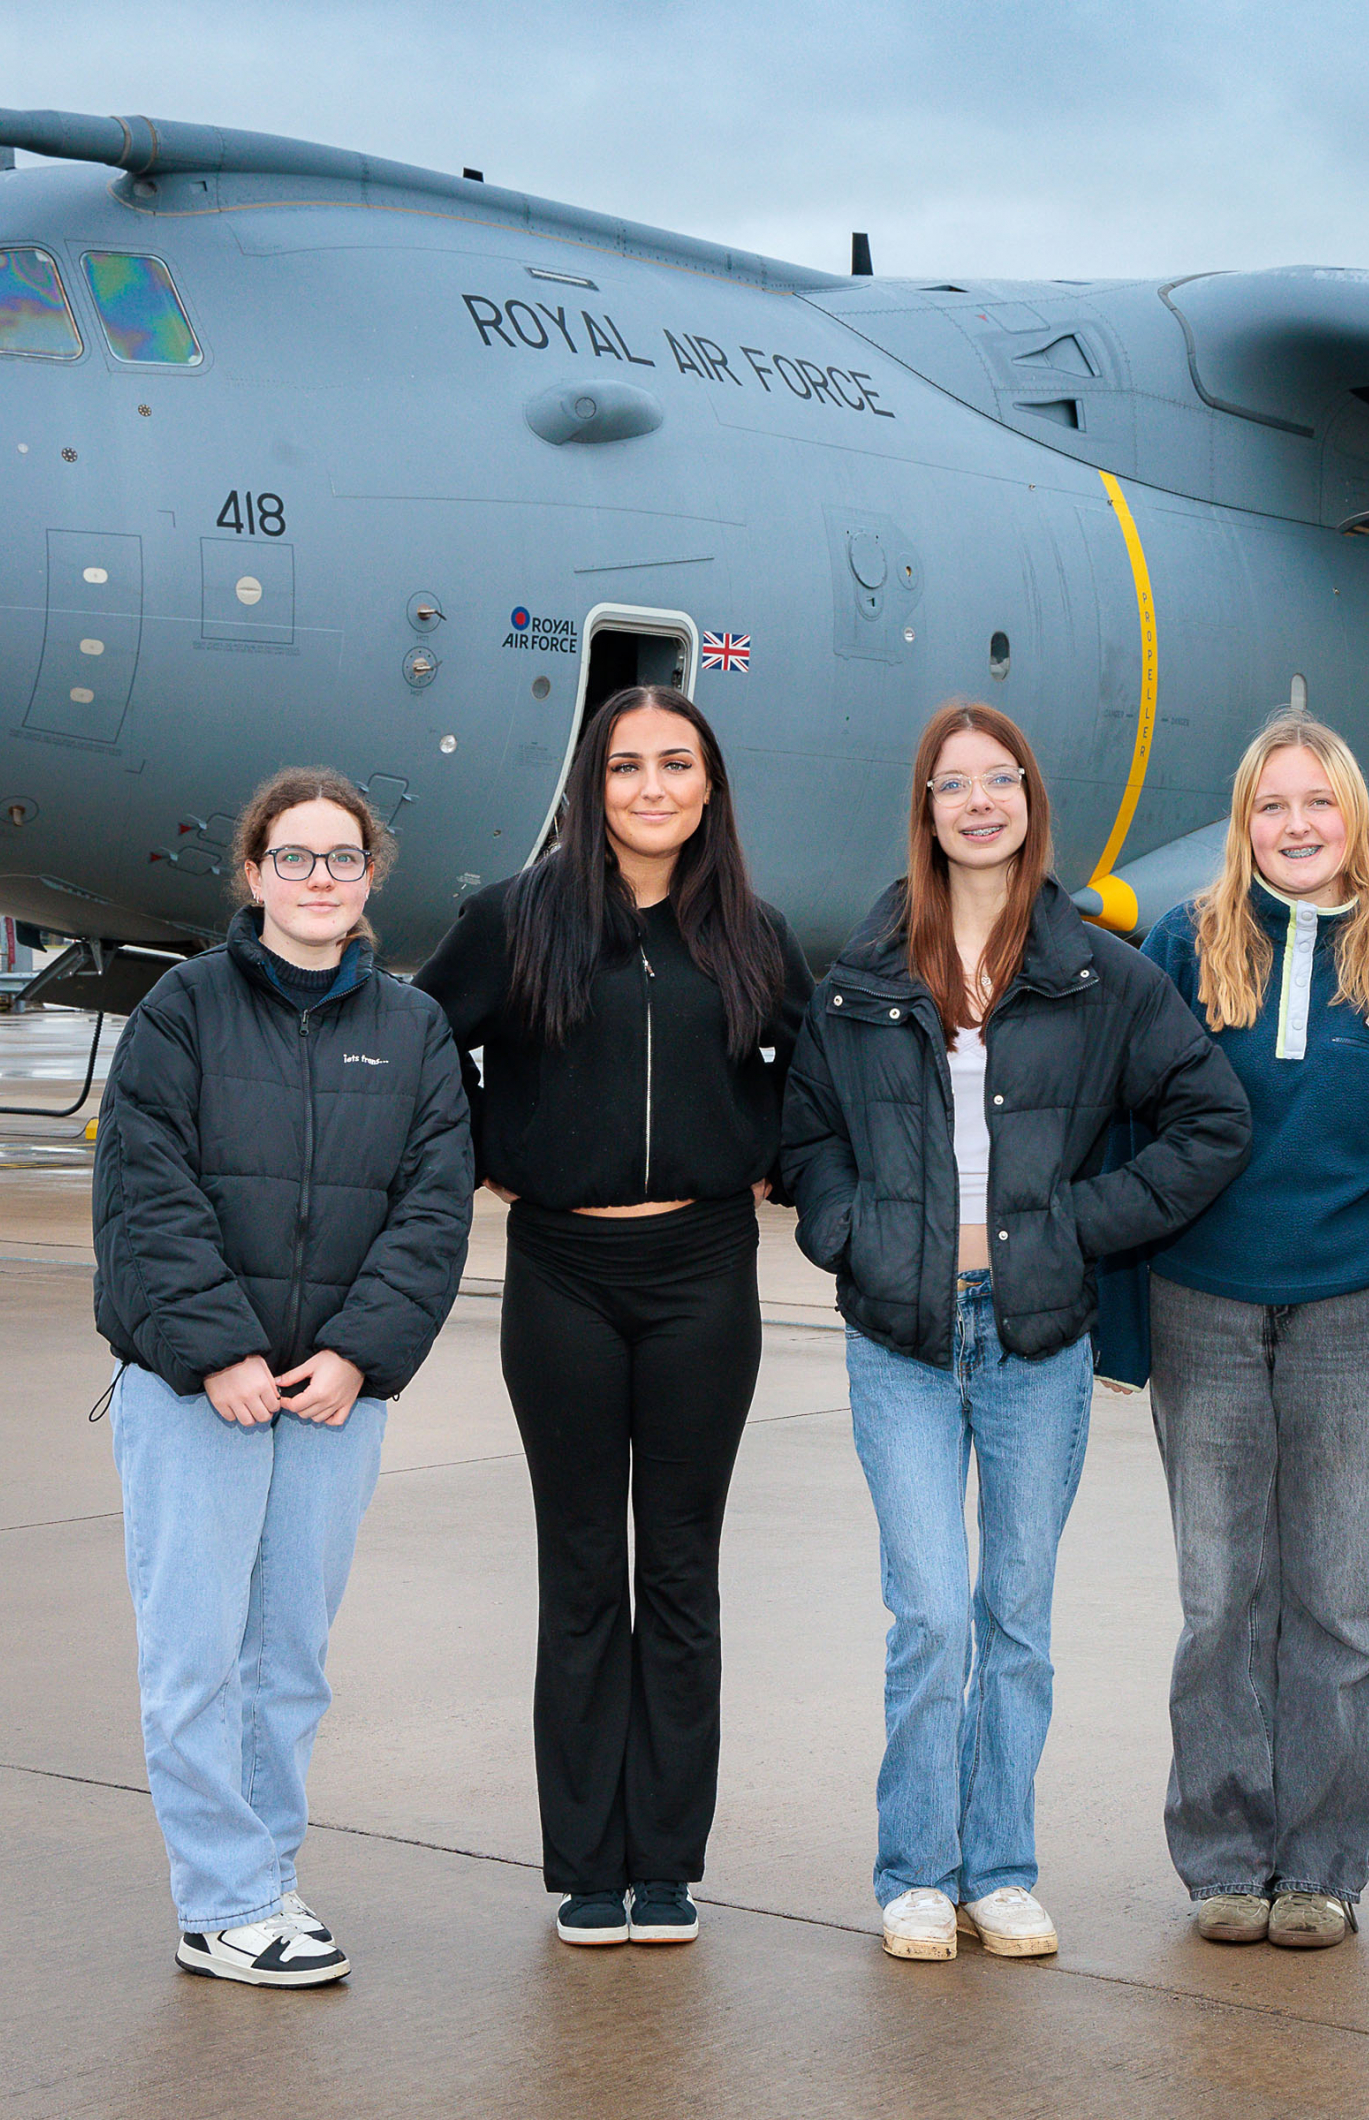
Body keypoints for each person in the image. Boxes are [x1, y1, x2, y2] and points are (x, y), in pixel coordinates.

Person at [780, 699, 1249, 1964]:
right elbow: (806, 1129)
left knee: (1018, 1612)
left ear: (1033, 802)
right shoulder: (866, 970)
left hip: (1035, 1337)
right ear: (925, 809)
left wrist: (1072, 1225)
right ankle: (916, 1870)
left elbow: (1209, 1117)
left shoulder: (1099, 970)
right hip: (901, 1337)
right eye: (953, 783)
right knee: (931, 1609)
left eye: (1002, 781)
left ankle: (1000, 1867)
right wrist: (851, 1229)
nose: (978, 801)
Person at [416, 685, 810, 1948]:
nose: (650, 786)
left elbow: (822, 1078)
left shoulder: (751, 930)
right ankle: (588, 1860)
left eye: (675, 764)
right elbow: (424, 1044)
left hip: (704, 1271)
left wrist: (770, 1156)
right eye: (625, 764)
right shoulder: (512, 918)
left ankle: (668, 1862)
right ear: (593, 785)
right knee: (583, 1568)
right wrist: (490, 1148)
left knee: (681, 1572)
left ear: (709, 788)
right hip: (564, 1277)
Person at [93, 767, 475, 1987]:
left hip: (329, 1393)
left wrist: (357, 1352)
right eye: (296, 858)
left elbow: (432, 1208)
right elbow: (145, 1193)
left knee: (289, 1658)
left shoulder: (411, 1028)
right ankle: (223, 1897)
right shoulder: (183, 1010)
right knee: (194, 1654)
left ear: (371, 878)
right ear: (254, 874)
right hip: (196, 1388)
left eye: (343, 858)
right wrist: (219, 1353)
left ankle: (262, 1879)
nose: (320, 879)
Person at [1118, 713, 1369, 1949]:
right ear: (1244, 820)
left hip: (1351, 1310)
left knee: (1335, 1599)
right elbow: (1130, 1128)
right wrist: (1122, 1324)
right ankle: (1225, 1852)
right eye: (1271, 804)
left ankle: (1323, 1863)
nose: (1294, 826)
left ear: (1352, 819)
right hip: (1200, 1305)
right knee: (1219, 1594)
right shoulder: (1186, 941)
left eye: (1316, 804)